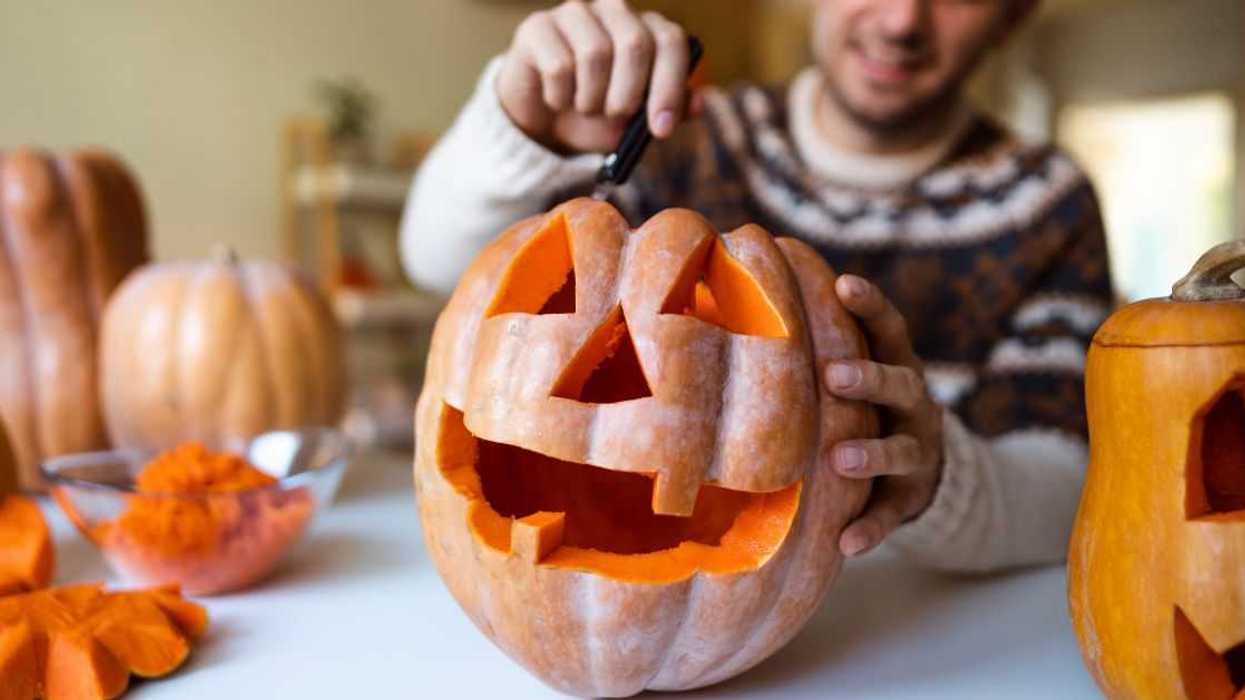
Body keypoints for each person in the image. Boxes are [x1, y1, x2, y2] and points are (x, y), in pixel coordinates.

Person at [400, 0, 1113, 572]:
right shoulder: (678, 135)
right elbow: (443, 267)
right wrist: (524, 131)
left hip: (922, 632)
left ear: (1013, 15)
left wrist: (938, 478)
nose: (901, 20)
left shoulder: (1047, 203)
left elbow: (1065, 484)